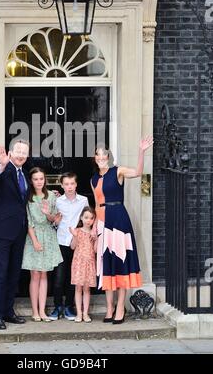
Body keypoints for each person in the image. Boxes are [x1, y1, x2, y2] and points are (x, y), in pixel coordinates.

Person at [91, 136, 154, 324]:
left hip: (118, 219)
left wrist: (141, 151)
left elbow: (138, 172)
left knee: (120, 261)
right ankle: (109, 307)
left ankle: (120, 307)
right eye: (98, 155)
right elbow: (96, 204)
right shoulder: (93, 179)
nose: (101, 158)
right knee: (107, 265)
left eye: (104, 155)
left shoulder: (117, 171)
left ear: (108, 157)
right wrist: (95, 225)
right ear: (95, 158)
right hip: (102, 223)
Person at [0, 139, 30, 330]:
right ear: (11, 152)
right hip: (2, 230)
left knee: (14, 273)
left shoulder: (25, 173)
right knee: (1, 272)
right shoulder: (2, 168)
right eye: (18, 151)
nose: (21, 155)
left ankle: (8, 311)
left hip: (19, 230)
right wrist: (2, 166)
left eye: (24, 152)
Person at [22, 167, 63, 322]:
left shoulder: (51, 196)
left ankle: (42, 310)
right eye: (35, 179)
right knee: (35, 274)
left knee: (44, 274)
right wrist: (35, 241)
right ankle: (35, 311)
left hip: (48, 235)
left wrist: (47, 213)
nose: (39, 182)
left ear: (44, 179)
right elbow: (29, 222)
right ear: (31, 181)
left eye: (41, 179)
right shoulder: (28, 198)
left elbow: (54, 220)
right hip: (34, 236)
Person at [49, 172, 89, 321]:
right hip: (60, 241)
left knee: (74, 277)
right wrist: (55, 222)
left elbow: (86, 219)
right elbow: (53, 222)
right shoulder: (58, 201)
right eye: (66, 184)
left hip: (77, 243)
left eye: (72, 184)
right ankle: (57, 306)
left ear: (76, 184)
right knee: (59, 277)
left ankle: (69, 307)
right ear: (62, 185)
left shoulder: (83, 201)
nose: (69, 187)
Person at [69, 206, 97, 323]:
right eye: (86, 217)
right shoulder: (78, 231)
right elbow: (72, 246)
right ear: (81, 218)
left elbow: (95, 250)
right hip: (78, 263)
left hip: (89, 263)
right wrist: (75, 236)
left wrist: (96, 239)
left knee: (87, 289)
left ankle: (85, 313)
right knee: (78, 288)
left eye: (91, 218)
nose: (88, 220)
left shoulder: (93, 234)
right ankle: (79, 313)